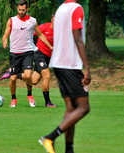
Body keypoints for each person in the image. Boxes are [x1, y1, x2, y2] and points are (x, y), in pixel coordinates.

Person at [38, 0, 91, 153]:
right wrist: (86, 68)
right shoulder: (77, 9)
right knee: (83, 108)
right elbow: (78, 39)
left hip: (57, 64)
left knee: (71, 109)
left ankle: (69, 149)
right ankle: (50, 138)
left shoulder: (61, 8)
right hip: (70, 65)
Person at [2, 0, 53, 108]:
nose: (21, 12)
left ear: (27, 9)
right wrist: (5, 40)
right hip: (14, 53)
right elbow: (6, 34)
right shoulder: (11, 21)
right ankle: (13, 99)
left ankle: (29, 95)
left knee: (29, 75)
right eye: (19, 10)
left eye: (23, 10)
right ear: (17, 9)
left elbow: (40, 34)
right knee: (13, 79)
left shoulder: (32, 21)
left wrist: (49, 46)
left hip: (28, 52)